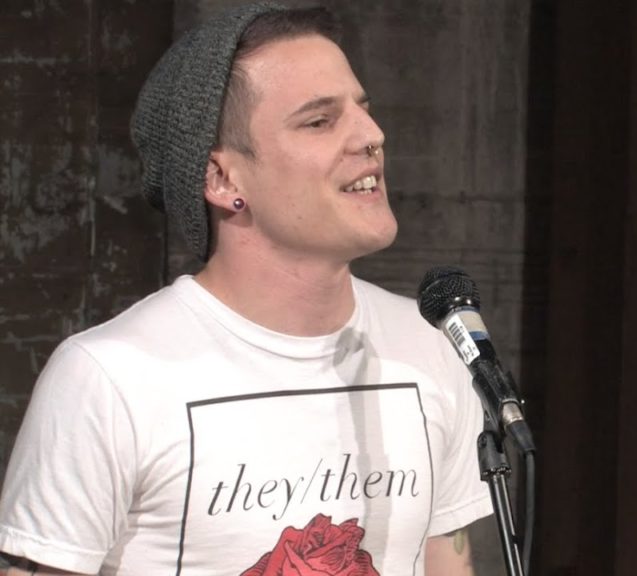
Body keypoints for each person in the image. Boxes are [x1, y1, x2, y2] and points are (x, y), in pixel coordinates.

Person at [0, 3, 492, 575]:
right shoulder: (109, 378)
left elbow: (444, 561)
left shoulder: (430, 344)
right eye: (319, 120)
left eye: (364, 109)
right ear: (223, 178)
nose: (372, 135)